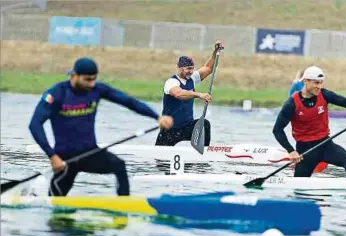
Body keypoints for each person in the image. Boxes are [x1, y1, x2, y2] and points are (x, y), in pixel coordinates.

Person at [29, 57, 173, 196]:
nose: (91, 83)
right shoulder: (57, 93)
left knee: (119, 166)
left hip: (90, 153)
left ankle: (123, 208)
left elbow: (128, 102)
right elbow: (34, 125)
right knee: (56, 199)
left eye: (94, 79)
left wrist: (157, 117)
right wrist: (52, 156)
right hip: (65, 158)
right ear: (74, 75)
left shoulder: (97, 90)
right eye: (87, 79)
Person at [272, 66, 346, 178]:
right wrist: (291, 151)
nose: (319, 86)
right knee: (299, 184)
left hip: (326, 145)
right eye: (316, 83)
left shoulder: (325, 95)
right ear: (305, 81)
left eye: (321, 83)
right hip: (306, 151)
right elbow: (277, 130)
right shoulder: (291, 104)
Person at [155, 40, 225, 146]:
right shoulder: (171, 82)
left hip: (187, 127)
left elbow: (209, 68)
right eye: (188, 69)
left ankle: (202, 153)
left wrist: (215, 52)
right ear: (179, 68)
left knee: (204, 124)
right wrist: (198, 94)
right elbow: (178, 93)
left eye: (192, 69)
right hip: (170, 130)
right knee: (159, 161)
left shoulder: (192, 78)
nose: (191, 72)